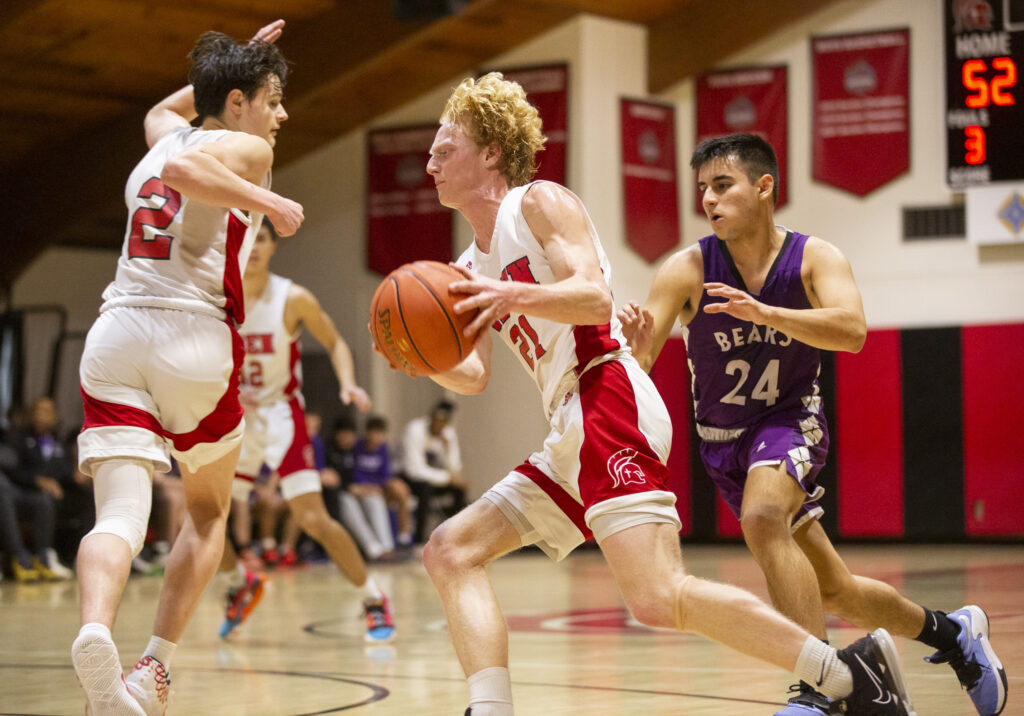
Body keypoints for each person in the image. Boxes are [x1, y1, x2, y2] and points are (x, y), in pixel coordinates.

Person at [376, 72, 916, 716]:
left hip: (608, 396)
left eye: (445, 147)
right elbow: (476, 374)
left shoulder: (538, 203)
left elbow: (593, 297)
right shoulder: (464, 267)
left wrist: (511, 294)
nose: (430, 161)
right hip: (570, 428)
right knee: (450, 551)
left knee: (659, 596)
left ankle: (850, 677)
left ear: (490, 151)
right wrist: (420, 360)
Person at [618, 133, 1007, 716]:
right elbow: (639, 374)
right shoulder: (686, 268)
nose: (709, 200)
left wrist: (766, 312)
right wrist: (637, 354)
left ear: (765, 186)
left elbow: (852, 331)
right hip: (723, 443)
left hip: (791, 420)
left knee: (762, 517)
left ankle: (821, 690)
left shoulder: (815, 258)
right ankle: (953, 635)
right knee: (836, 590)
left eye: (722, 185)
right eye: (703, 189)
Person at [72, 19, 304, 715]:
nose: (280, 114)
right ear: (237, 105)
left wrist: (234, 65)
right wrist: (269, 202)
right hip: (193, 337)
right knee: (207, 515)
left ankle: (92, 628)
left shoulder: (161, 134)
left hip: (115, 333)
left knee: (119, 513)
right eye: (271, 97)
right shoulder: (244, 147)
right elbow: (185, 171)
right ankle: (153, 669)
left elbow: (166, 120)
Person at [221, 217, 394, 642]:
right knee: (202, 521)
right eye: (244, 240)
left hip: (282, 415)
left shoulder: (292, 297)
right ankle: (239, 582)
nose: (253, 247)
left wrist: (348, 382)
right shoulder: (219, 296)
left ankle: (373, 597)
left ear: (273, 246)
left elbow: (335, 341)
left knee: (314, 519)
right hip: (237, 418)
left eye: (260, 238)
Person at [6, 397, 76, 580]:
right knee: (39, 500)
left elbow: (65, 468)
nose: (40, 415)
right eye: (37, 410)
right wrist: (38, 481)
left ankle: (47, 557)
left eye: (46, 411)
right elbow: (12, 469)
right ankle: (20, 558)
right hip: (21, 490)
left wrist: (59, 480)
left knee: (85, 498)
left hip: (52, 492)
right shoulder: (19, 437)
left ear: (55, 415)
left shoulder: (56, 439)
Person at [400, 399, 467, 544]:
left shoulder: (448, 434)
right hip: (411, 479)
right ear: (430, 418)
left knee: (459, 490)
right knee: (425, 490)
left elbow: (454, 469)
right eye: (436, 420)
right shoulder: (414, 429)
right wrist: (447, 478)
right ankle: (418, 541)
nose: (439, 425)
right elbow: (414, 470)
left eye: (443, 422)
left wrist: (447, 449)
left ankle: (455, 536)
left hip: (436, 478)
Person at [351, 415, 414, 555]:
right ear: (368, 433)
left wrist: (379, 487)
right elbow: (354, 474)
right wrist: (369, 488)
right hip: (362, 490)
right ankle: (386, 547)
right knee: (375, 501)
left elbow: (386, 476)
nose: (378, 437)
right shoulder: (357, 447)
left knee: (401, 489)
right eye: (375, 433)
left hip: (377, 489)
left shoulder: (384, 448)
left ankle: (404, 536)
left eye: (381, 434)